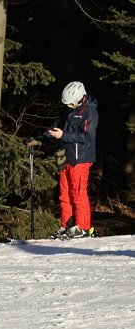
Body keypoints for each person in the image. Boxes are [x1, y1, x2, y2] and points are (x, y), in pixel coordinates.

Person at [46, 81, 98, 239]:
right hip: (64, 156)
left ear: (79, 99)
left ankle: (83, 228)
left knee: (78, 193)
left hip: (80, 158)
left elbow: (86, 137)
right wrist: (43, 136)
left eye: (71, 104)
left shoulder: (90, 112)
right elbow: (58, 126)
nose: (68, 106)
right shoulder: (68, 111)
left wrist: (63, 135)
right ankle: (66, 226)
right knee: (64, 193)